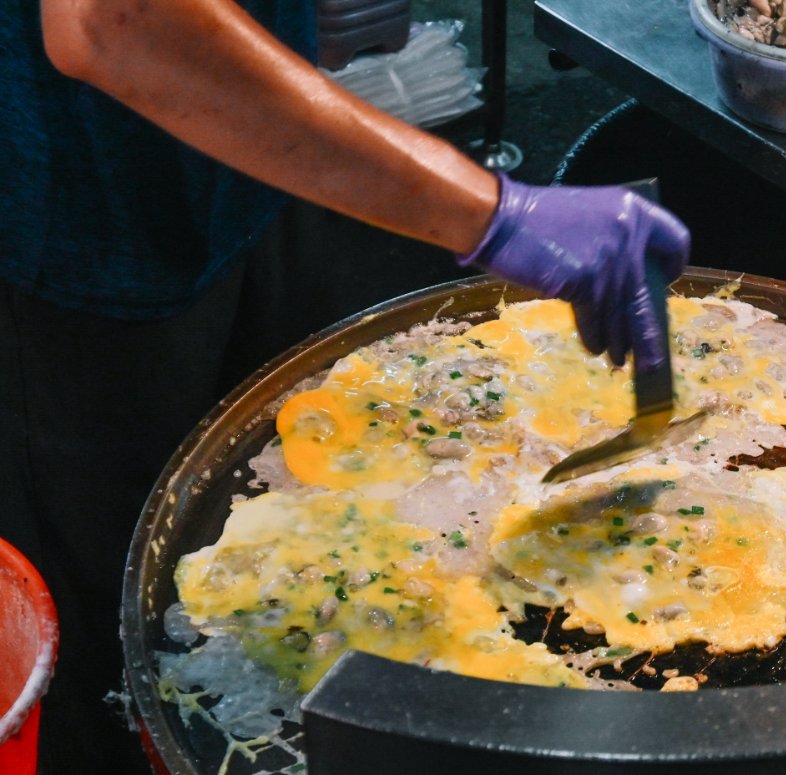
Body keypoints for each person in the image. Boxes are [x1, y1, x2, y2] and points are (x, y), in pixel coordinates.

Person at [1, 1, 690, 772]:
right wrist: (492, 212)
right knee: (113, 653)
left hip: (255, 154)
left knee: (302, 534)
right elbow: (113, 20)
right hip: (81, 220)